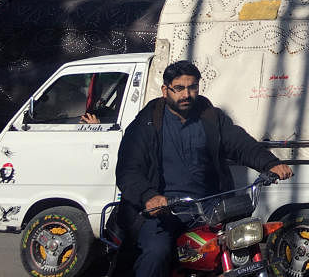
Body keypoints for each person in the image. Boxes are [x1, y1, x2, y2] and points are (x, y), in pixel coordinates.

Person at [115, 60, 292, 277]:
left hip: (210, 208)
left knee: (243, 248)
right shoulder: (147, 123)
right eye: (179, 88)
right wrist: (149, 196)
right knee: (155, 253)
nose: (186, 94)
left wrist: (270, 163)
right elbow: (128, 170)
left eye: (192, 87)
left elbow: (240, 143)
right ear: (165, 90)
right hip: (164, 211)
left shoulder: (210, 117)